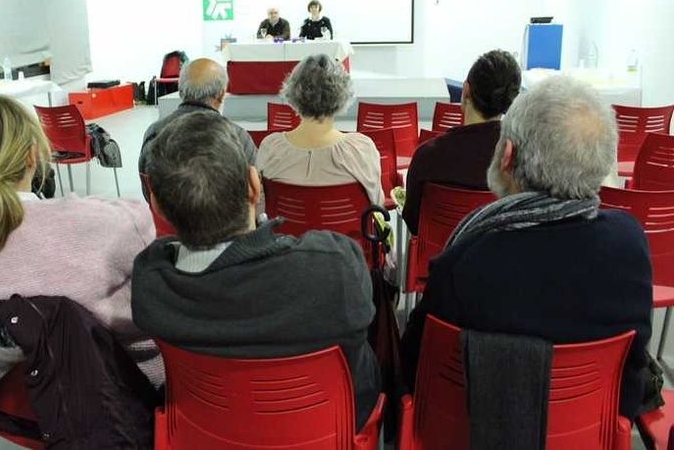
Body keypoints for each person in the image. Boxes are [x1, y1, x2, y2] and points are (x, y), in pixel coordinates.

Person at [400, 76, 652, 420]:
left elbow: (416, 366)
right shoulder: (630, 245)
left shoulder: (464, 261)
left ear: (507, 156)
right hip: (591, 431)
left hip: (469, 432)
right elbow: (632, 373)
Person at [132, 111, 380, 430]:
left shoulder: (150, 285)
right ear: (254, 185)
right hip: (329, 431)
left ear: (156, 205)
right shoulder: (334, 266)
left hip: (209, 432)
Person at [0, 95, 164, 386]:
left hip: (1, 390)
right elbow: (148, 236)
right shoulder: (99, 224)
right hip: (111, 383)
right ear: (32, 156)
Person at [402, 49, 521, 234]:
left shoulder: (427, 157)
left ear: (465, 91)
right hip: (499, 251)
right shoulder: (519, 160)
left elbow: (413, 222)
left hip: (441, 251)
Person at [257, 54, 384, 207]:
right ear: (342, 95)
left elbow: (260, 207)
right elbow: (377, 205)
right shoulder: (362, 149)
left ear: (293, 93)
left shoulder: (270, 148)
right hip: (345, 224)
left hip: (284, 224)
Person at [138, 57, 256, 201]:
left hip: (166, 214)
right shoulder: (239, 138)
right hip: (224, 216)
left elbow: (149, 193)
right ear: (220, 95)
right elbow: (251, 194)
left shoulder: (154, 133)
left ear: (181, 91)